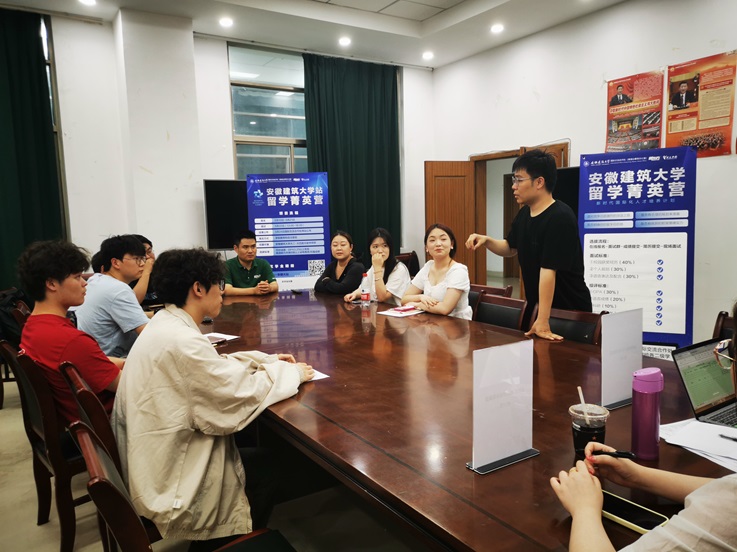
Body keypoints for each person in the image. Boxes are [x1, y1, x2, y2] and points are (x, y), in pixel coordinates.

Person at [112, 248, 314, 549]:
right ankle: (226, 544)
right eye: (218, 285)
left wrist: (265, 361)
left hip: (154, 455)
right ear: (198, 288)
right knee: (269, 466)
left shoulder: (165, 323)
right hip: (173, 474)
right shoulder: (181, 340)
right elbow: (236, 395)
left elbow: (211, 371)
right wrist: (293, 373)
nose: (222, 292)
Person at [465, 149, 591, 339]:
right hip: (540, 309)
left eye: (519, 180)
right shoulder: (524, 213)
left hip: (569, 313)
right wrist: (487, 241)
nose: (513, 186)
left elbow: (548, 272)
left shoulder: (560, 217)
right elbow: (510, 248)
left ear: (539, 182)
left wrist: (543, 320)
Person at [17, 240, 123, 424]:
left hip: (78, 423)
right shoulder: (70, 340)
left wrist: (128, 362)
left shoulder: (33, 326)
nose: (84, 283)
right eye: (77, 277)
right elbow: (128, 386)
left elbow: (90, 361)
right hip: (110, 423)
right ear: (51, 283)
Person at [76, 235, 150, 357]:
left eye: (143, 259)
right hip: (109, 360)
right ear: (115, 262)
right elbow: (149, 333)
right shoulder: (118, 289)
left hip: (88, 356)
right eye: (137, 259)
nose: (143, 264)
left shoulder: (96, 280)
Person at [401, 223, 472, 320]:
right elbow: (404, 299)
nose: (438, 244)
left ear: (451, 244)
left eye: (443, 239)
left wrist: (417, 305)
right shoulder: (428, 266)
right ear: (426, 247)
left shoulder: (458, 270)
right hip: (431, 323)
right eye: (432, 240)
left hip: (456, 325)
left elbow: (445, 309)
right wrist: (421, 297)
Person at [344, 227, 410, 306]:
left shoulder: (398, 269)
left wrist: (377, 269)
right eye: (375, 247)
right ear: (370, 250)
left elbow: (382, 297)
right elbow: (365, 287)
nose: (380, 251)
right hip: (379, 310)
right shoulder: (375, 266)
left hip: (398, 311)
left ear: (390, 248)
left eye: (385, 246)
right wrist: (354, 294)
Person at [224, 230, 278, 296]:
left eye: (253, 246)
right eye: (245, 247)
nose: (250, 251)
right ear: (236, 248)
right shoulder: (227, 265)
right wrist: (254, 291)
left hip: (260, 302)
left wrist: (268, 288)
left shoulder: (263, 263)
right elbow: (227, 290)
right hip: (236, 302)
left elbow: (275, 285)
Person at [314, 230, 365, 295]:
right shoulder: (332, 265)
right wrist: (334, 287)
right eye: (335, 245)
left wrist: (327, 281)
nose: (339, 248)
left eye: (343, 245)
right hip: (333, 301)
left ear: (351, 247)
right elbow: (317, 286)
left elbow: (343, 289)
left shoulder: (357, 267)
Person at [129, 234, 158, 305]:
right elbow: (133, 303)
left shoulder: (161, 272)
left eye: (149, 251)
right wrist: (146, 271)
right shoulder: (128, 277)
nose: (147, 257)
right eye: (142, 255)